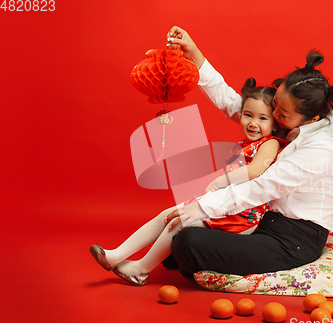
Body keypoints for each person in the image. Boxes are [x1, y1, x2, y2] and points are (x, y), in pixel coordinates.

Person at [164, 26, 333, 277]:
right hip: (260, 221)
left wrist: (205, 206)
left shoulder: (323, 147)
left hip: (293, 239)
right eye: (275, 107)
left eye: (281, 114)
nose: (273, 116)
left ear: (311, 117)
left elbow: (265, 185)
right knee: (184, 235)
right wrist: (195, 55)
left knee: (189, 241)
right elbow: (235, 105)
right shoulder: (291, 120)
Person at [90, 78, 286, 286]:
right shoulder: (243, 144)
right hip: (223, 204)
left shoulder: (271, 143)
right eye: (248, 115)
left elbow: (255, 170)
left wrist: (221, 181)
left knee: (180, 221)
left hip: (243, 215)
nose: (253, 123)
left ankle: (141, 269)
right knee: (167, 214)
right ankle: (115, 256)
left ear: (274, 122)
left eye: (262, 118)